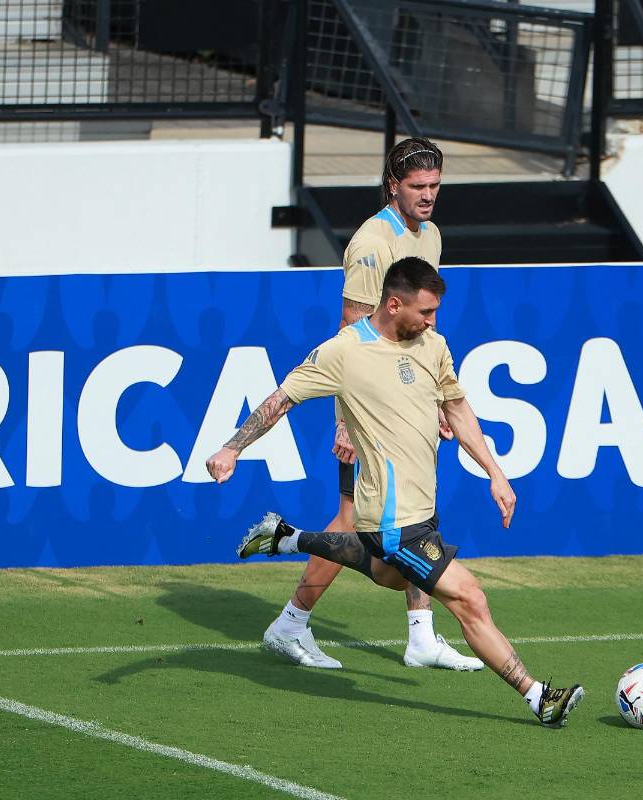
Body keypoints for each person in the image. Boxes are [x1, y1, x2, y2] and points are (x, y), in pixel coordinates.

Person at [206, 257, 584, 727]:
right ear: (393, 303)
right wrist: (231, 447)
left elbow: (459, 410)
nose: (432, 321)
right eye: (425, 312)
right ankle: (538, 696)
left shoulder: (433, 345)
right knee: (469, 597)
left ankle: (289, 537)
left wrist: (495, 472)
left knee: (392, 577)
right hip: (391, 518)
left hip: (422, 508)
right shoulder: (343, 352)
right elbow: (280, 400)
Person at [259, 137, 481, 672]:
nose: (428, 196)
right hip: (366, 409)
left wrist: (432, 402)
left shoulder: (430, 234)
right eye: (417, 187)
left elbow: (423, 327)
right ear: (392, 186)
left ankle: (421, 636)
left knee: (420, 512)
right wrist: (344, 421)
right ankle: (289, 624)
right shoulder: (370, 244)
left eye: (434, 186)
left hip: (406, 397)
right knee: (349, 517)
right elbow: (350, 334)